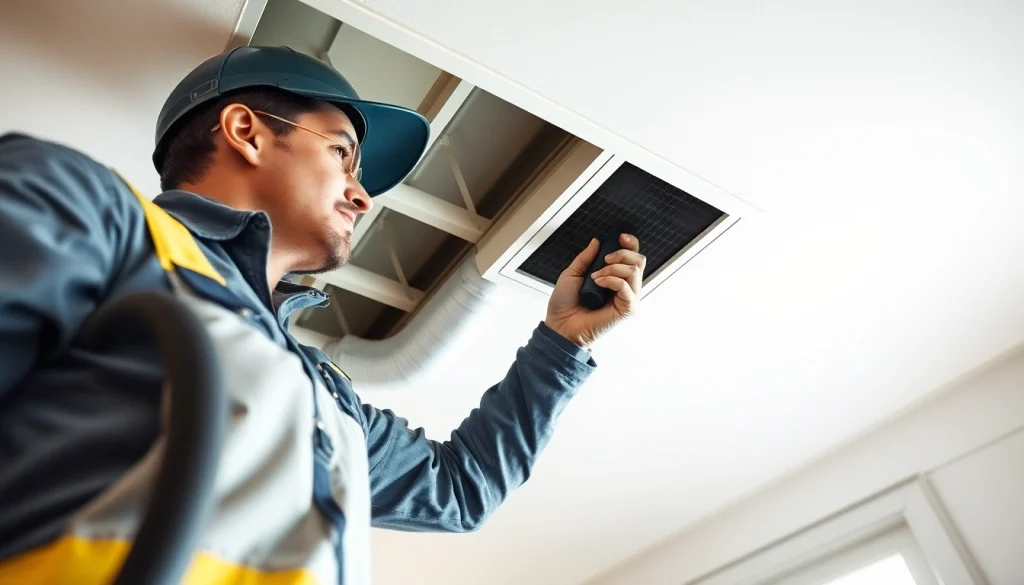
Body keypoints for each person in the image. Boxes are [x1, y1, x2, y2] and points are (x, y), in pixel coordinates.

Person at [0, 46, 645, 584]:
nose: (363, 196)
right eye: (340, 153)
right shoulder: (96, 215)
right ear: (246, 132)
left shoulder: (321, 395)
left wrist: (561, 343)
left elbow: (460, 489)